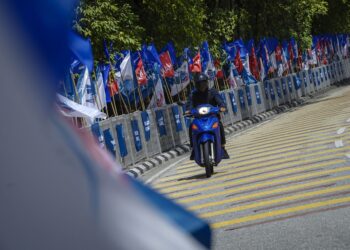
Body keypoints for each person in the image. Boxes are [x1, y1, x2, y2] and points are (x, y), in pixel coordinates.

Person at [186, 73, 230, 160]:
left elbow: (220, 101)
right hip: (199, 119)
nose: (202, 85)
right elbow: (189, 106)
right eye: (199, 83)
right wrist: (188, 111)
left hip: (212, 117)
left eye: (203, 83)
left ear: (207, 83)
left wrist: (222, 107)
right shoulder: (193, 94)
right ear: (196, 84)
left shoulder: (212, 92)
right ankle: (193, 148)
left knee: (220, 125)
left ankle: (223, 147)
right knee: (191, 127)